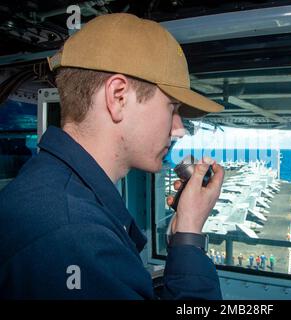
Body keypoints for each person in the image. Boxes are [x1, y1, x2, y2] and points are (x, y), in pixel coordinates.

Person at [0, 13, 225, 299]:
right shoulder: (76, 239)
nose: (179, 130)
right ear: (118, 97)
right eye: (172, 108)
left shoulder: (51, 190)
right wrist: (189, 240)